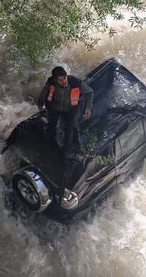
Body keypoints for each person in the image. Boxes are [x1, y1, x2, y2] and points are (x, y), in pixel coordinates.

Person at [37, 66, 94, 207]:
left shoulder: (75, 82)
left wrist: (87, 108)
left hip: (71, 110)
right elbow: (45, 92)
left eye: (63, 78)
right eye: (59, 80)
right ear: (55, 79)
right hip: (55, 108)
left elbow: (90, 92)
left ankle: (66, 152)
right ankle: (50, 146)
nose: (62, 81)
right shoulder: (51, 82)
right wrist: (40, 103)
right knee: (51, 128)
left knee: (70, 131)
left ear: (66, 76)